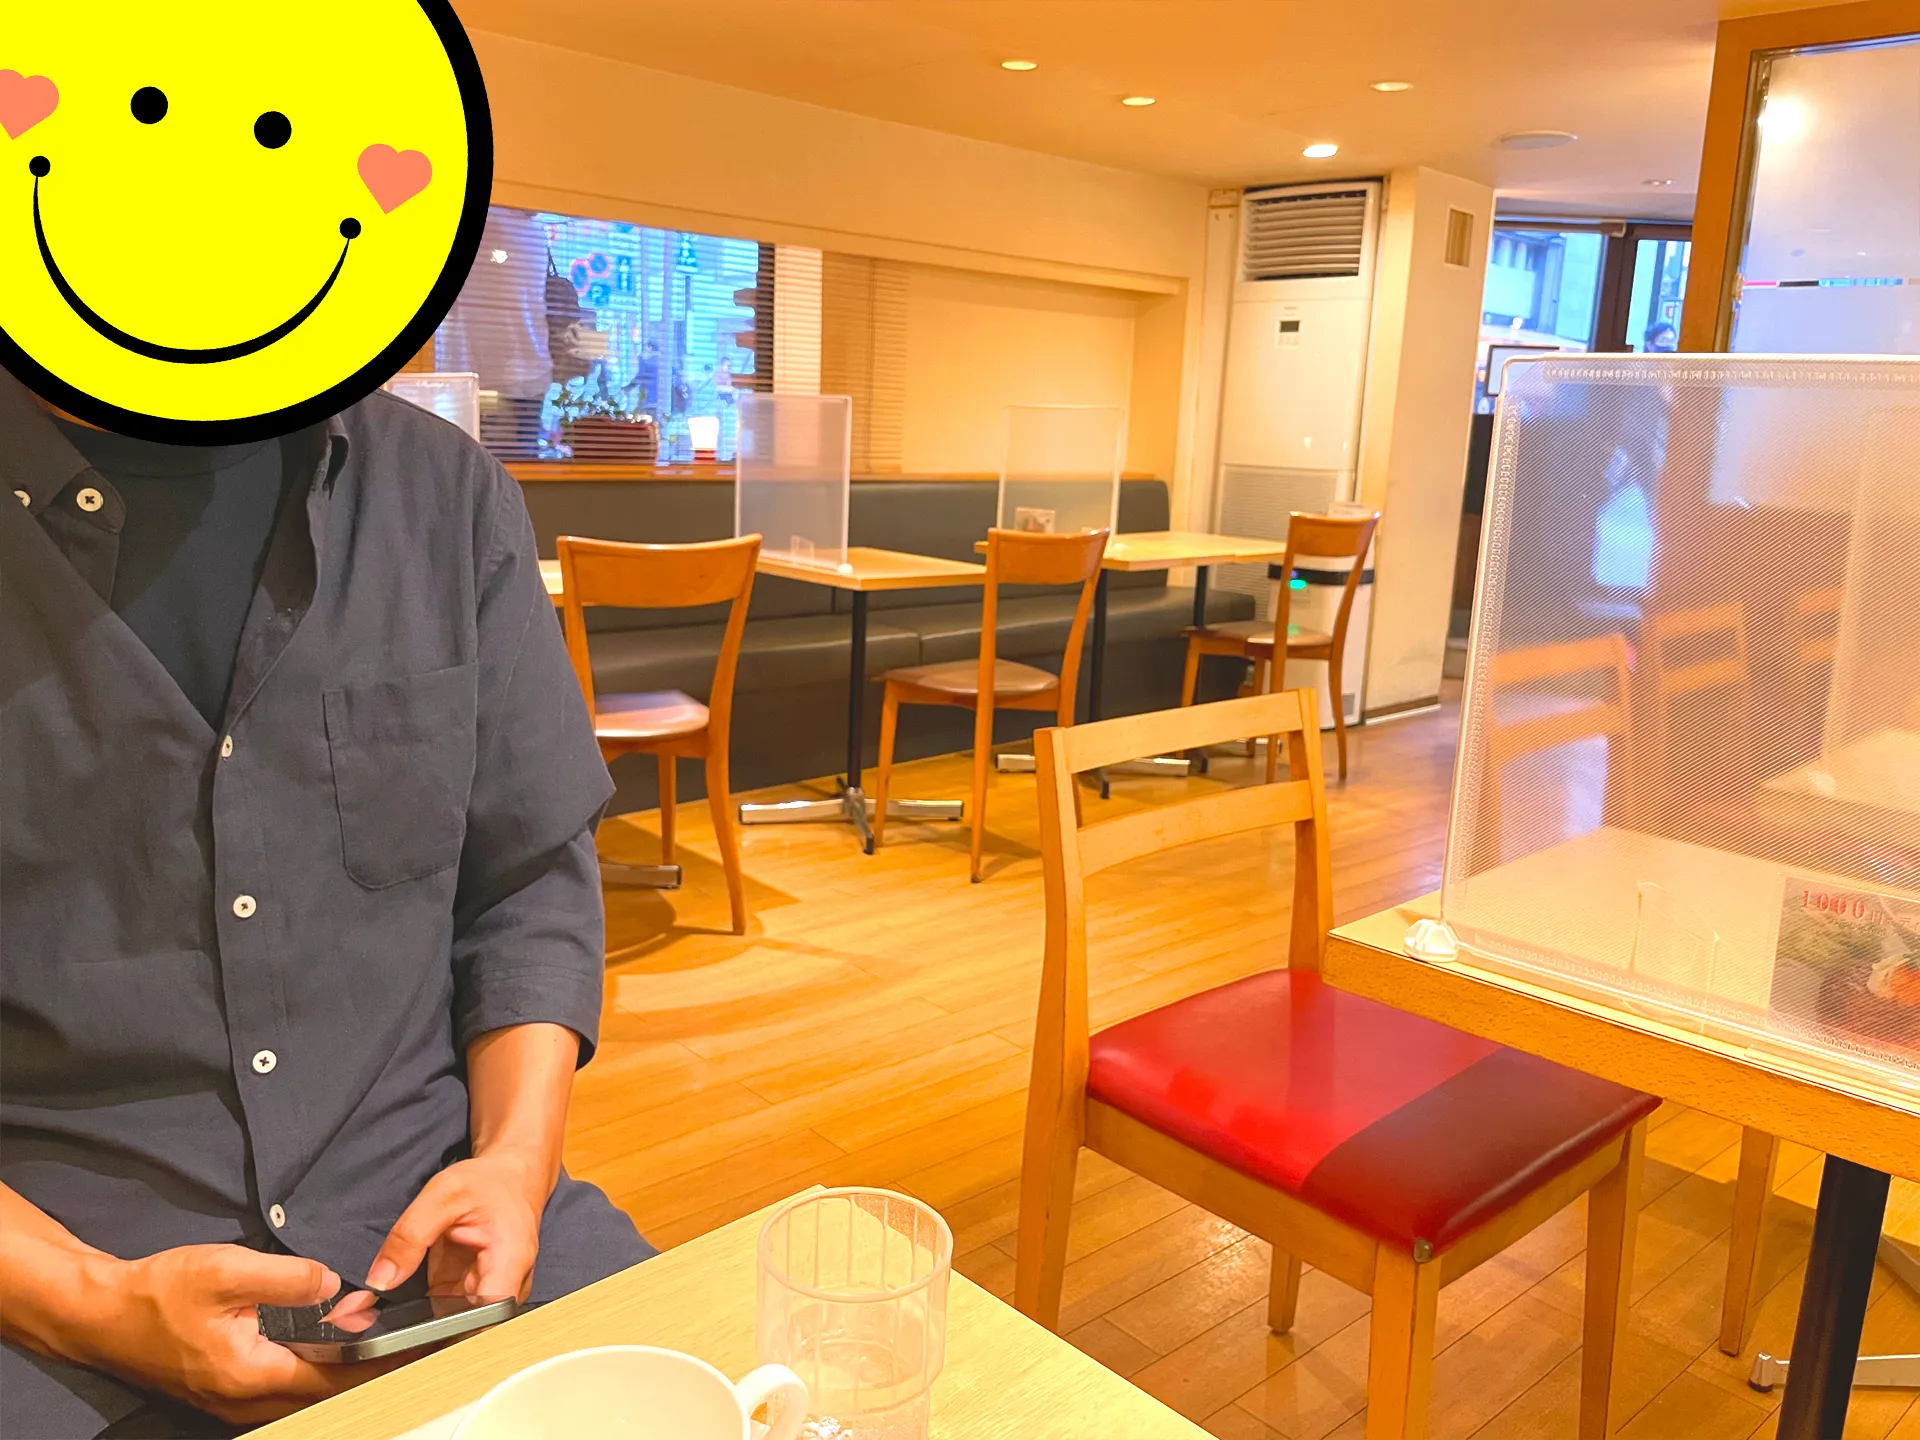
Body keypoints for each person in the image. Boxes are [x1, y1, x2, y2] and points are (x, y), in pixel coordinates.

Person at [0, 374, 650, 1438]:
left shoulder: (441, 493)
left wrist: (515, 1162)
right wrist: (88, 1302)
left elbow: (527, 880)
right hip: (49, 1271)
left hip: (435, 1224)